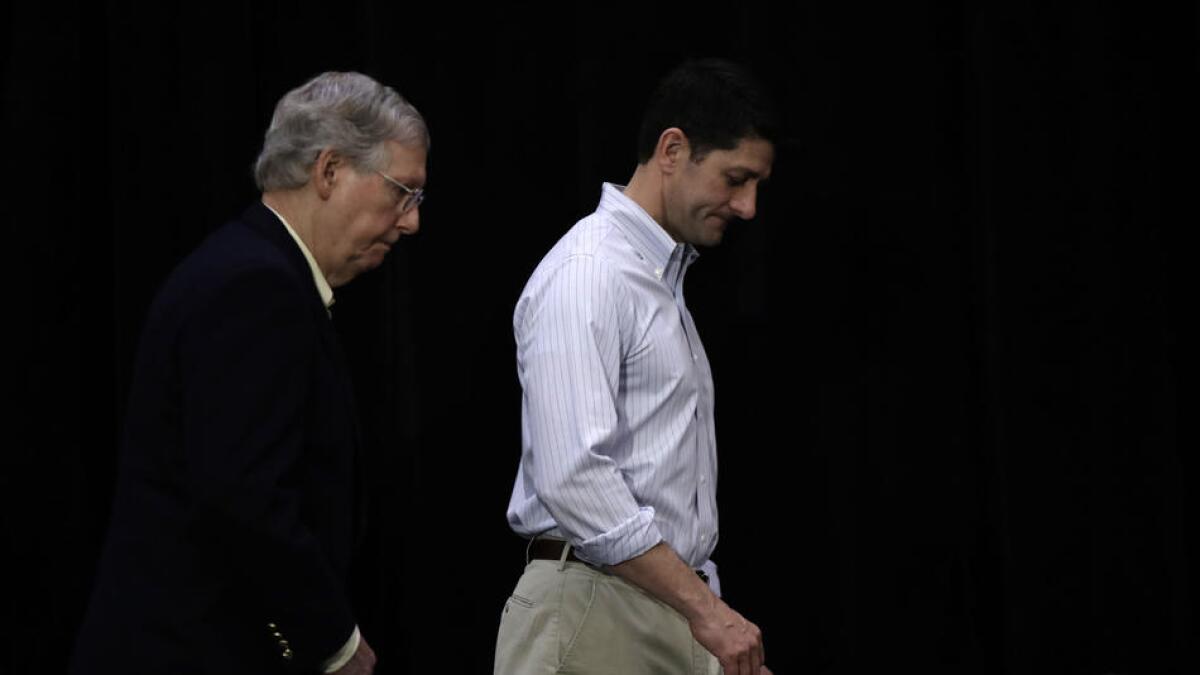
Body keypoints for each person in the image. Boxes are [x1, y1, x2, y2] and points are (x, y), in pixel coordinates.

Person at [71, 71, 428, 675]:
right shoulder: (256, 286)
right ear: (330, 171)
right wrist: (333, 642)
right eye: (403, 191)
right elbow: (245, 499)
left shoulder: (250, 268)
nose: (412, 221)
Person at [495, 58, 777, 675]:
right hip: (595, 608)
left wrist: (704, 615)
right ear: (672, 149)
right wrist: (706, 611)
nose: (749, 206)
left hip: (661, 607)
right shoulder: (590, 271)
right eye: (736, 178)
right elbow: (575, 478)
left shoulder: (657, 283)